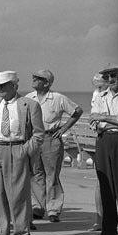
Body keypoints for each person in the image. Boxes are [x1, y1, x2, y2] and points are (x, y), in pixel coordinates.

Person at [0, 71, 44, 235]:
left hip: (16, 148)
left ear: (14, 85)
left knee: (18, 194)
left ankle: (22, 232)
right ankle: (2, 231)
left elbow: (38, 134)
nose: (0, 88)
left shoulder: (29, 105)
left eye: (3, 85)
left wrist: (24, 151)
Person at [26, 69, 82, 223]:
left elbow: (77, 111)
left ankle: (53, 209)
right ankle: (37, 206)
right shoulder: (28, 98)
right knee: (35, 173)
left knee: (52, 175)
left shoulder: (58, 98)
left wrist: (64, 128)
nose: (34, 79)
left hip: (51, 138)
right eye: (34, 77)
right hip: (34, 138)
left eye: (38, 78)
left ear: (47, 83)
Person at [91, 63, 118, 235]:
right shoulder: (100, 96)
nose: (110, 79)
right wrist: (114, 120)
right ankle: (109, 230)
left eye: (114, 75)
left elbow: (100, 118)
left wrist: (104, 118)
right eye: (107, 76)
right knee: (106, 187)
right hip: (103, 140)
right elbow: (94, 122)